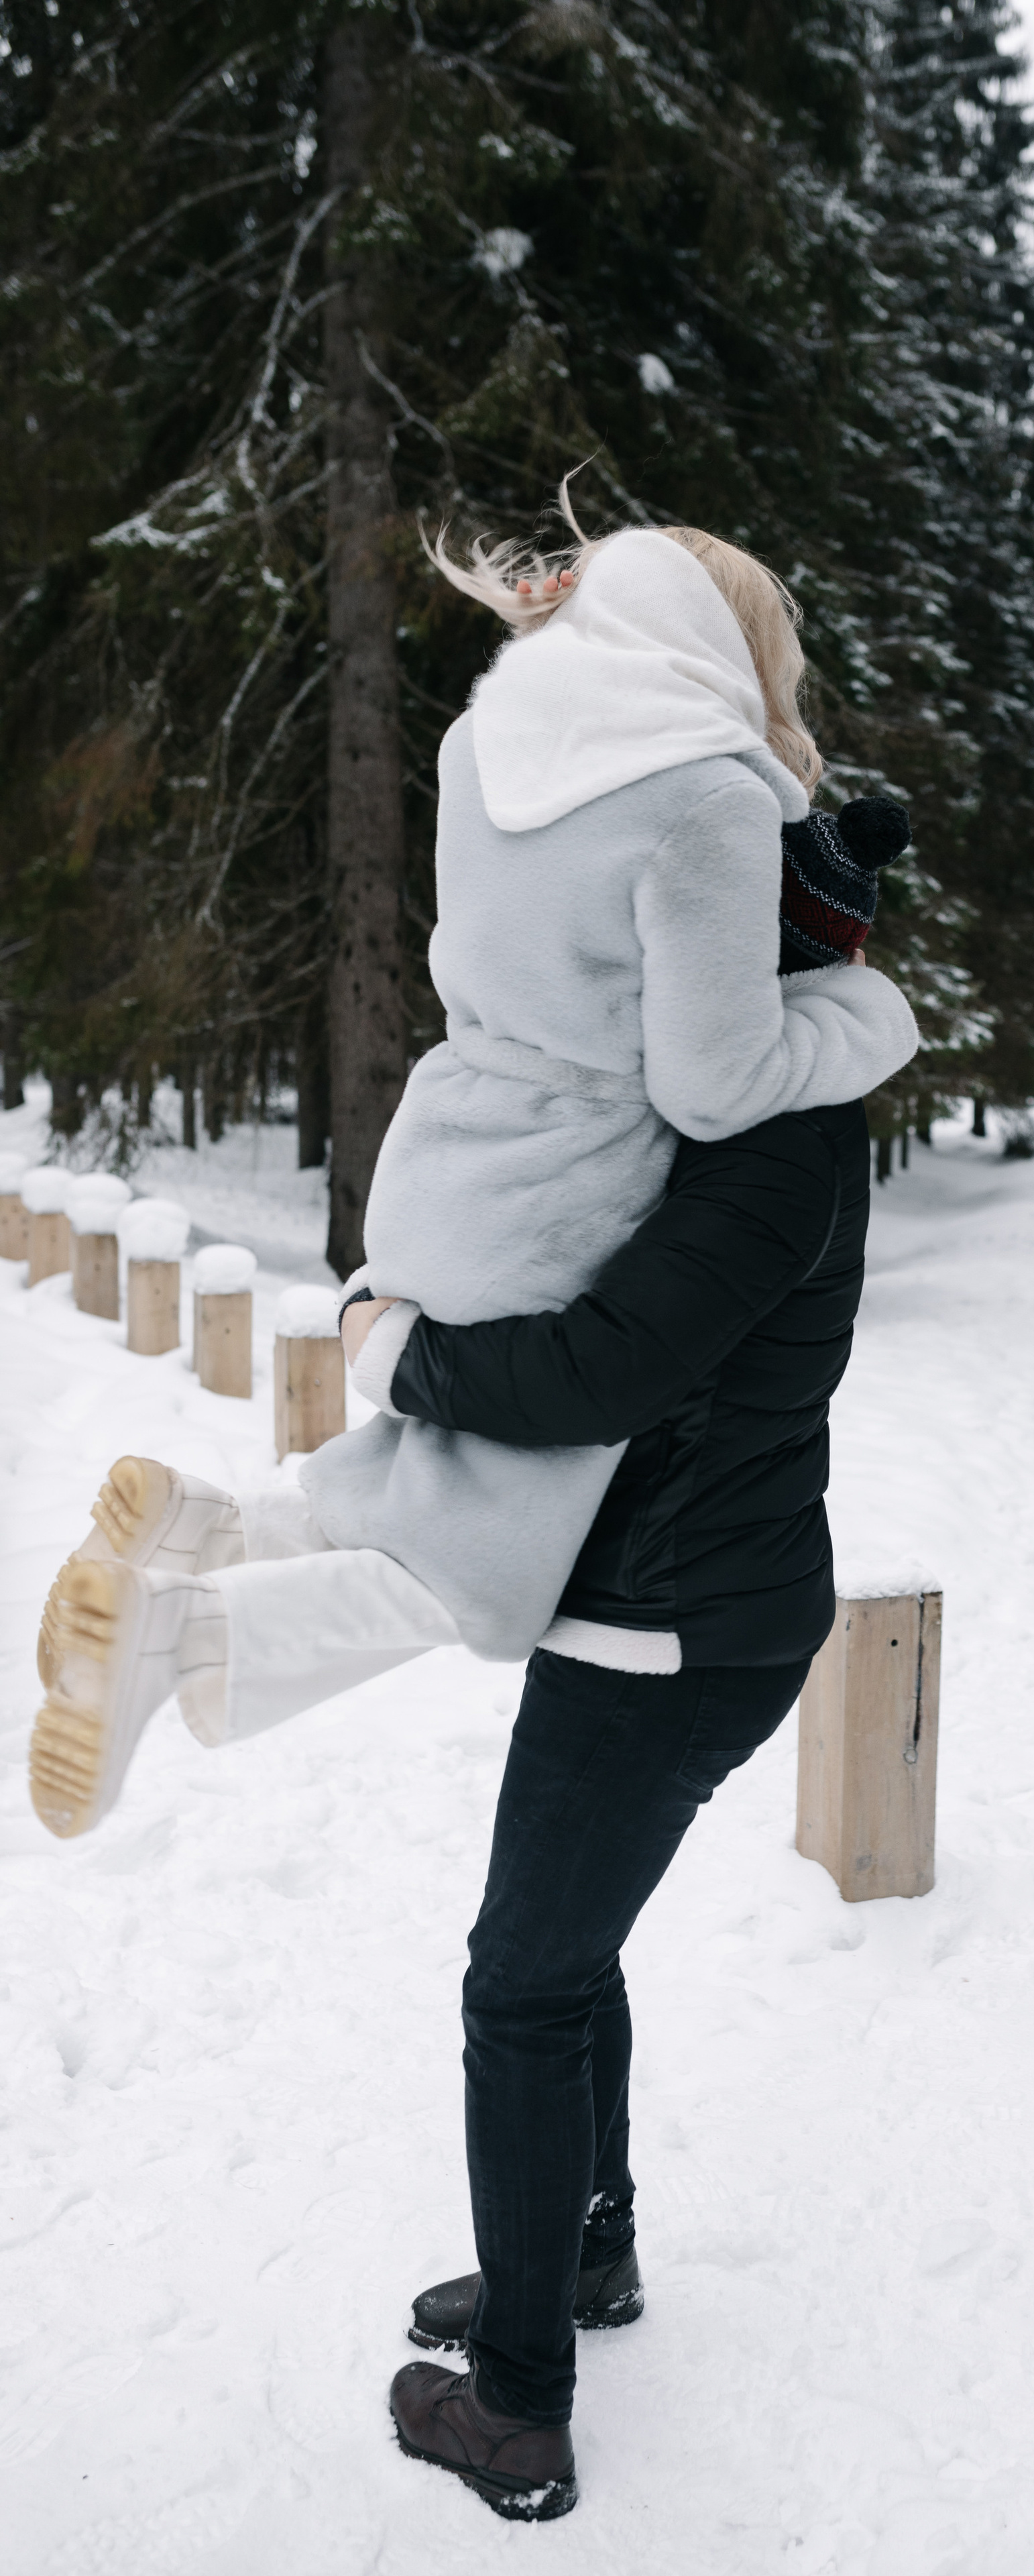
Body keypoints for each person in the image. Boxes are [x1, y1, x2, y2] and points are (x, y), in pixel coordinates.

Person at [28, 514, 917, 1841]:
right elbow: (710, 1082)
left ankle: (212, 1535)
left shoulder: (484, 745)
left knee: (431, 1461)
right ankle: (184, 1637)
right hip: (567, 1179)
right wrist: (866, 1024)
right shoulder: (709, 793)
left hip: (444, 1156)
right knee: (483, 1570)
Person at [358, 1086, 874, 2517]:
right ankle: (583, 2251)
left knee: (520, 1987)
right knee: (566, 1960)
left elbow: (605, 1371)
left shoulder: (781, 1135)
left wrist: (401, 1357)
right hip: (667, 1608)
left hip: (671, 1631)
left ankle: (518, 2408)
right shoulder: (739, 1116)